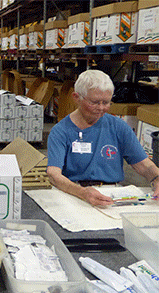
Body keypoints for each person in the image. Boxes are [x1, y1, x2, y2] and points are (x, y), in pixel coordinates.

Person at [47, 70, 159, 206]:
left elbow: (143, 164)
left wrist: (156, 178)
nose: (101, 108)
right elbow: (53, 174)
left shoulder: (118, 127)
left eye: (106, 102)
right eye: (94, 102)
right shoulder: (61, 131)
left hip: (111, 193)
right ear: (76, 97)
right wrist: (83, 193)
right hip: (74, 193)